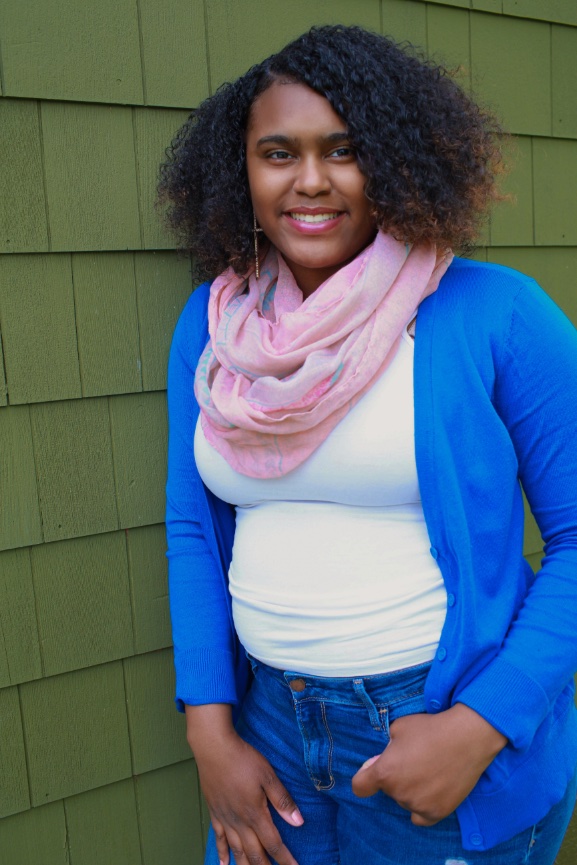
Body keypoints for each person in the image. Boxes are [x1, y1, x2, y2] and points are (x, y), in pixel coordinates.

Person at [158, 25, 577, 865]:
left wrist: (478, 725)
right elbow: (192, 531)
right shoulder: (216, 327)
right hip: (267, 731)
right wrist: (209, 729)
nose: (311, 180)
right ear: (241, 172)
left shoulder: (495, 314)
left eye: (343, 150)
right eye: (278, 153)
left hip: (438, 728)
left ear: (393, 160)